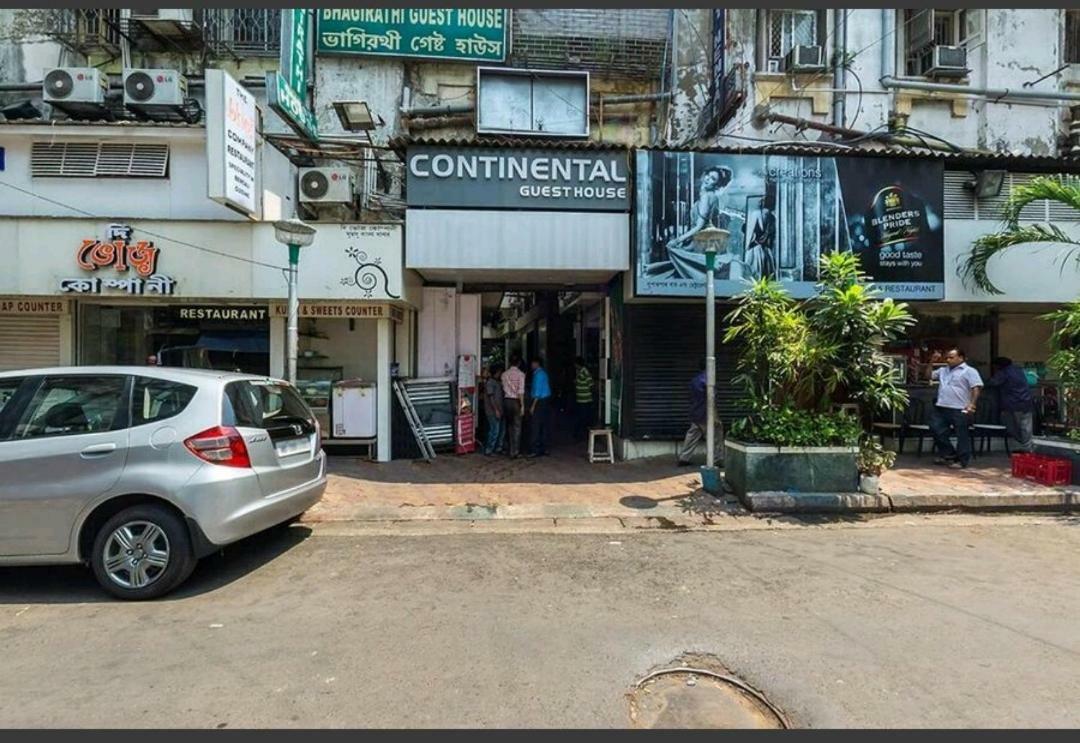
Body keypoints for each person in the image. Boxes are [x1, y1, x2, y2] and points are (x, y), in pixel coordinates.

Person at [929, 348, 984, 469]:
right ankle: (949, 454)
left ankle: (962, 460)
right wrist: (931, 362)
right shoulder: (943, 370)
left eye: (951, 357)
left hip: (959, 408)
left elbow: (976, 388)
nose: (948, 360)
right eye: (947, 357)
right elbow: (928, 375)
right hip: (942, 406)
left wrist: (972, 404)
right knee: (935, 429)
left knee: (962, 434)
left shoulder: (969, 371)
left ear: (961, 358)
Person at [676, 358, 723, 466]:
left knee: (692, 436)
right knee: (715, 435)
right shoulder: (709, 380)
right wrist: (715, 416)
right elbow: (711, 398)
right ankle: (717, 459)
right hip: (706, 413)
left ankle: (684, 458)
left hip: (696, 412)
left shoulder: (695, 380)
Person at [987, 356, 1034, 453]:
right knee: (1026, 427)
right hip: (1026, 402)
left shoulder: (1004, 373)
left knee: (1011, 426)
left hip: (1013, 404)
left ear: (998, 366)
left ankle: (1025, 446)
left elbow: (993, 383)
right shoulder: (1018, 370)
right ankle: (1028, 447)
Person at [501, 355, 526, 458]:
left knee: (509, 425)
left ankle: (509, 449)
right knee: (517, 427)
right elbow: (521, 391)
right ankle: (515, 451)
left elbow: (503, 388)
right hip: (516, 401)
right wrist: (522, 405)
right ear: (519, 363)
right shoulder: (521, 375)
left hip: (506, 401)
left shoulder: (504, 374)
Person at [528, 358, 553, 458]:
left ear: (536, 363)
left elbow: (537, 392)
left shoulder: (538, 375)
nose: (531, 365)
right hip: (545, 400)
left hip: (539, 402)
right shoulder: (543, 373)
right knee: (544, 425)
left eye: (532, 363)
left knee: (536, 425)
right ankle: (544, 448)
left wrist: (532, 406)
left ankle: (535, 449)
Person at [482, 365, 505, 456]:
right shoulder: (490, 383)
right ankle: (489, 449)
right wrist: (496, 410)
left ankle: (498, 447)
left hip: (499, 409)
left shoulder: (497, 382)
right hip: (492, 411)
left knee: (501, 430)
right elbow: (491, 397)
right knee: (494, 430)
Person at [572, 356, 594, 442]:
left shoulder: (584, 371)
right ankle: (579, 434)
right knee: (580, 417)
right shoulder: (580, 372)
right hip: (581, 399)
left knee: (582, 417)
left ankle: (581, 435)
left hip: (585, 399)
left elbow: (590, 384)